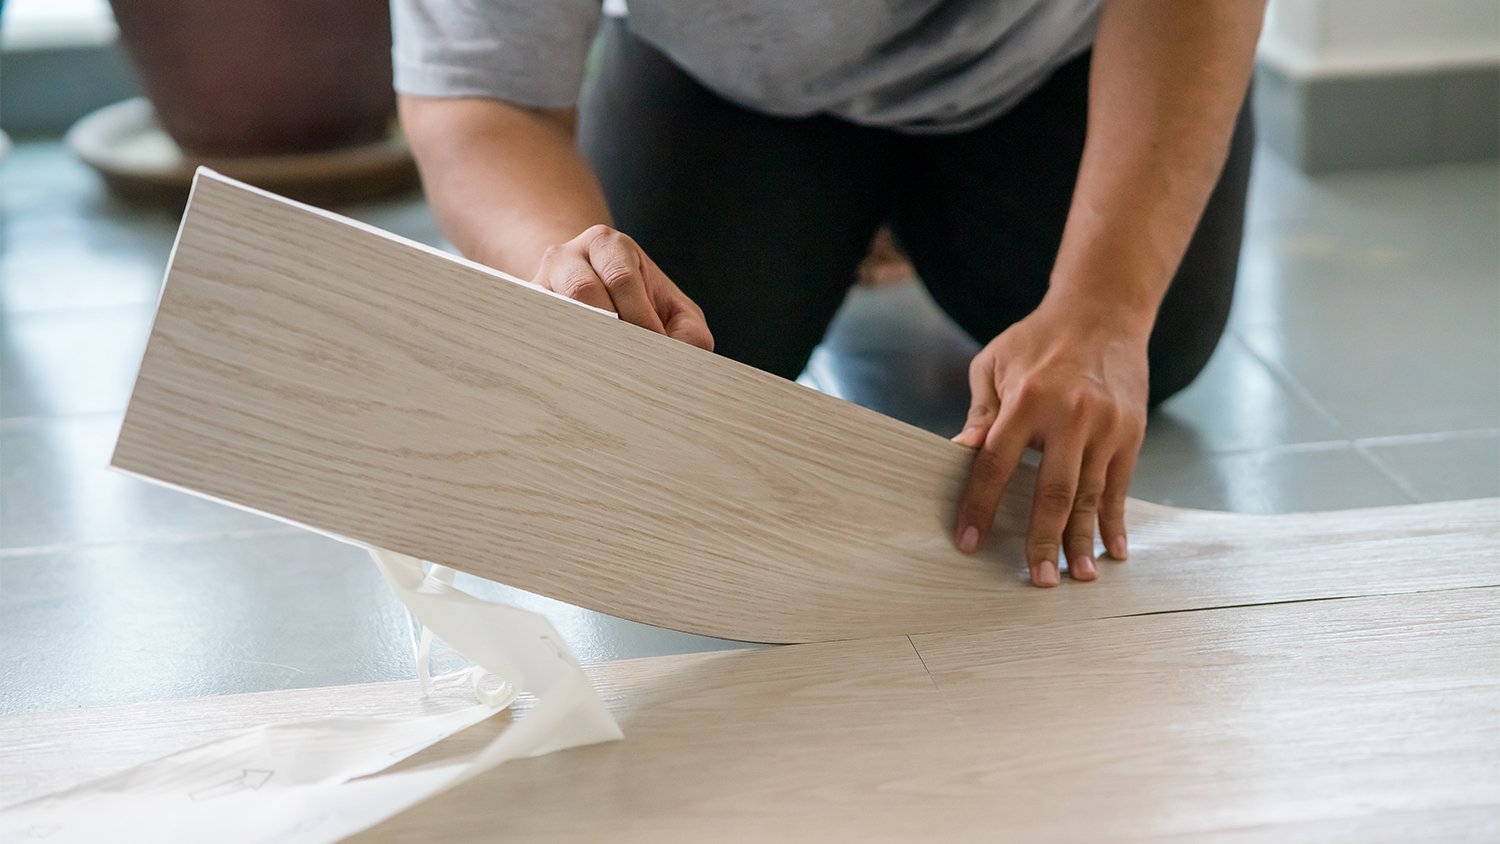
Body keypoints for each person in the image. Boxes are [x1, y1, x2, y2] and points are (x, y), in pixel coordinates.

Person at [392, 1, 1264, 588]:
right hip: (732, 80)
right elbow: (477, 95)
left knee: (1161, 342)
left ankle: (895, 220)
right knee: (665, 373)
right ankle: (849, 213)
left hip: (1047, 64)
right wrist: (564, 259)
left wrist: (1106, 306)